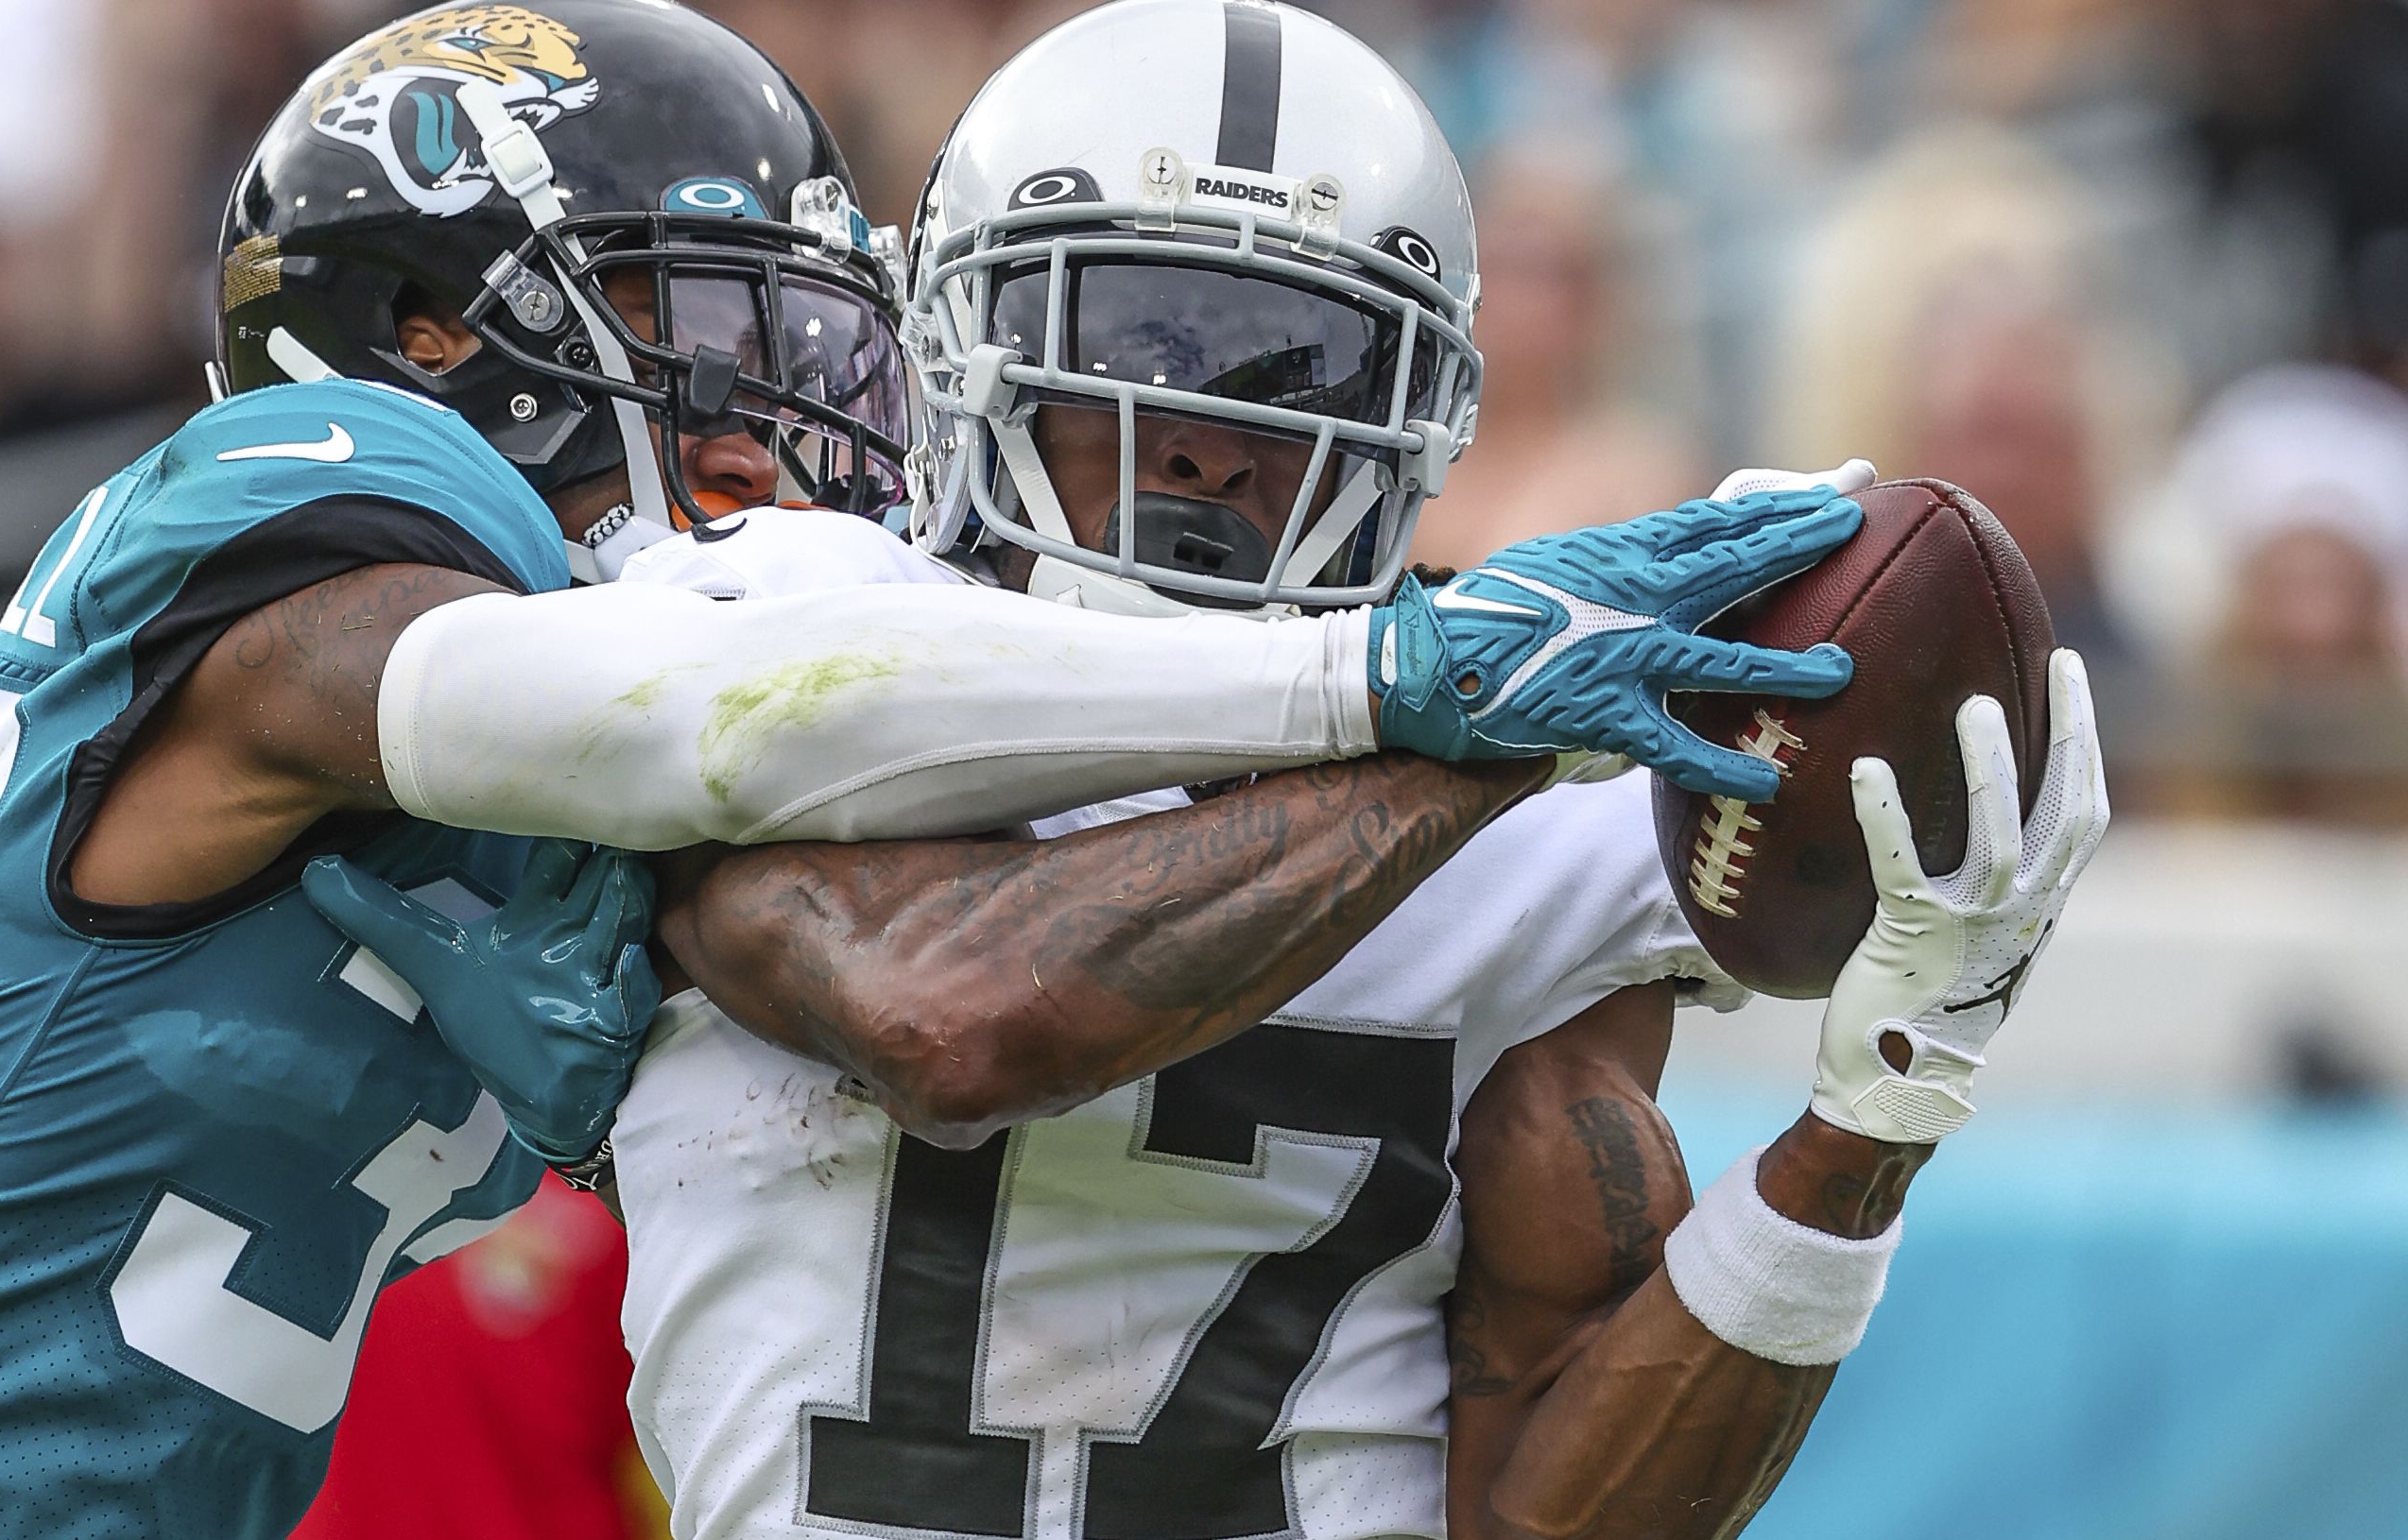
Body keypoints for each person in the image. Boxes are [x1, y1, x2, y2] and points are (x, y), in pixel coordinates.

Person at [0, 3, 1855, 1538]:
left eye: (821, 350)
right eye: (720, 329)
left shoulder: (555, 718)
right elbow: (733, 713)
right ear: (442, 322)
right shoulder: (295, 496)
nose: (785, 428)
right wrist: (1392, 673)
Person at [317, 5, 2109, 1537]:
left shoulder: (1573, 796)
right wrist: (1460, 725)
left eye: (1308, 358)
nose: (1218, 427)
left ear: (1424, 414)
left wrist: (1871, 1126)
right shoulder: (787, 628)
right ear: (961, 337)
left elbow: (1551, 1515)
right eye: (1144, 336)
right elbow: (951, 1021)